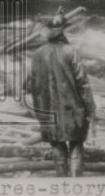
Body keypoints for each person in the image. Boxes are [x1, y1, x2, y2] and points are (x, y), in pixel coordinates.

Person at [26, 11, 96, 176]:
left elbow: (32, 85)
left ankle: (61, 181)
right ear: (63, 31)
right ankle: (75, 183)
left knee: (56, 143)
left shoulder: (37, 54)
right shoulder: (71, 52)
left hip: (48, 109)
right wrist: (91, 108)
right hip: (73, 108)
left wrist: (39, 110)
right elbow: (83, 83)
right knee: (76, 143)